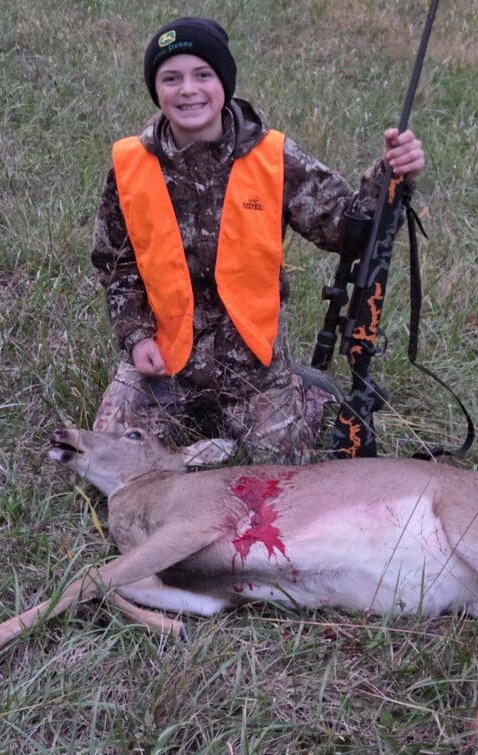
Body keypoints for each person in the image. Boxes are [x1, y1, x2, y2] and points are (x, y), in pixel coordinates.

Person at [90, 16, 425, 463]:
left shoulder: (272, 157)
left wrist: (391, 175)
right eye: (171, 78)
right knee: (108, 460)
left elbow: (350, 231)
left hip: (252, 367)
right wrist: (136, 337)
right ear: (157, 89)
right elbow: (116, 264)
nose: (188, 90)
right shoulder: (131, 164)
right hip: (163, 361)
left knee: (284, 476)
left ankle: (302, 394)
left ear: (224, 82)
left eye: (203, 75)